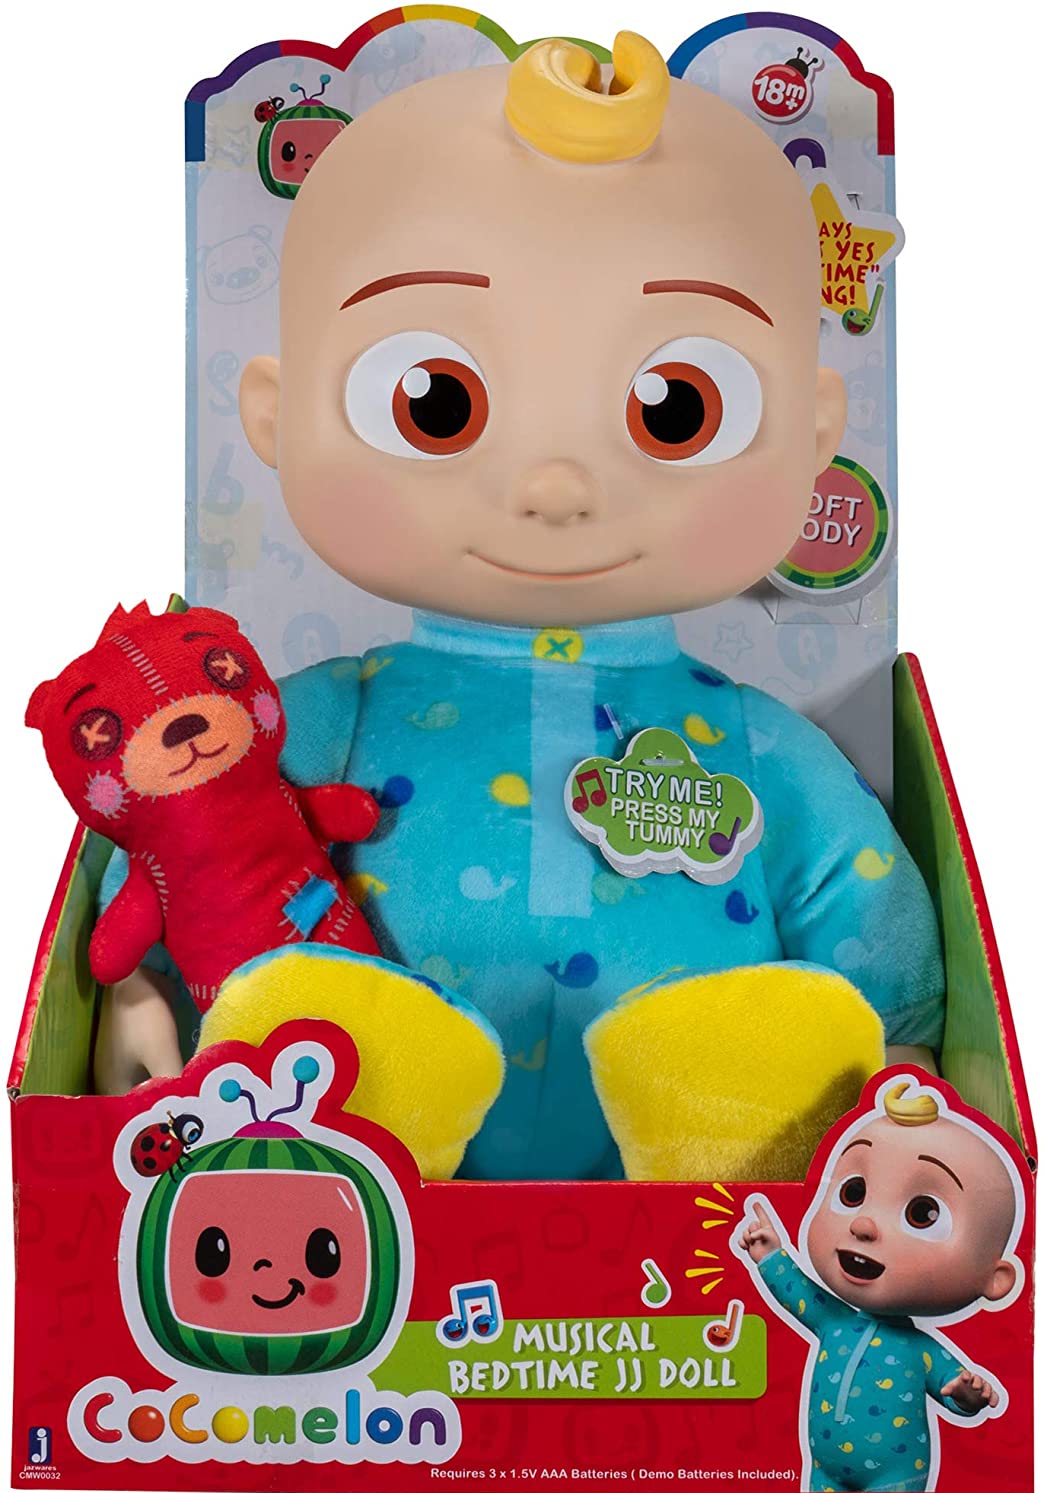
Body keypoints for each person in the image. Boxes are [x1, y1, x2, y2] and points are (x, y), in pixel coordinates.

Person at [103, 33, 943, 1183]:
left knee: (766, 1044)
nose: (555, 485)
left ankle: (731, 1134)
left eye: (676, 408)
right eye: (437, 402)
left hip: (698, 1225)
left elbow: (858, 896)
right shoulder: (313, 719)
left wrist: (898, 1048)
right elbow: (195, 834)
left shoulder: (758, 744)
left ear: (813, 433)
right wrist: (137, 987)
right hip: (353, 1191)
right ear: (274, 415)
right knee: (322, 1023)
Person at [738, 1080, 1021, 1492]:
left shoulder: (920, 1350)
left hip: (896, 1478)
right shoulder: (833, 1321)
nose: (864, 1224)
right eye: (854, 1192)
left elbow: (952, 1389)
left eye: (923, 1213)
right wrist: (771, 1255)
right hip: (824, 1472)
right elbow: (798, 1292)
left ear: (995, 1279)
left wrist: (967, 1394)